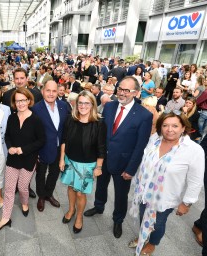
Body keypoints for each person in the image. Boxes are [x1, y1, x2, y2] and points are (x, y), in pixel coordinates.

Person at [84, 76, 153, 239]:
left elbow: (140, 145)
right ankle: (99, 206)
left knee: (121, 195)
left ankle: (118, 220)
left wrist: (131, 169)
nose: (121, 93)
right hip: (103, 159)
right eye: (120, 89)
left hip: (124, 163)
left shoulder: (144, 115)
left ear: (136, 93)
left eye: (126, 90)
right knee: (100, 185)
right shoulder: (109, 106)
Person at [129, 111, 204, 256]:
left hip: (165, 198)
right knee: (143, 215)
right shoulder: (155, 139)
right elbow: (145, 162)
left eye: (175, 126)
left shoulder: (193, 150)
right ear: (160, 127)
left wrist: (187, 203)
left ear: (183, 128)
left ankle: (152, 244)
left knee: (158, 223)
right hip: (144, 192)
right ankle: (143, 236)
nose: (169, 129)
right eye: (165, 125)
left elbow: (196, 180)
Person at [0, 87, 45, 231]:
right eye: (17, 100)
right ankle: (5, 218)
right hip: (13, 159)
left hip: (28, 159)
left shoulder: (36, 120)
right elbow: (7, 136)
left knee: (22, 187)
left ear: (28, 100)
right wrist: (9, 147)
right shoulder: (12, 117)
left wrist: (23, 149)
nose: (20, 103)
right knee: (9, 189)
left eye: (23, 100)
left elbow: (41, 140)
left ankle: (25, 202)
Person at [59, 90, 106, 233]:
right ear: (76, 104)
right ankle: (71, 209)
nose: (83, 106)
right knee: (71, 187)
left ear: (92, 104)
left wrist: (99, 167)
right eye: (80, 102)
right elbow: (64, 141)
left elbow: (101, 148)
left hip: (87, 165)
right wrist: (61, 159)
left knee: (80, 193)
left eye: (87, 103)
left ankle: (79, 216)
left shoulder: (99, 123)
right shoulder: (70, 119)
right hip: (70, 161)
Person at [32, 80, 69, 212]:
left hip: (59, 148)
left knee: (54, 173)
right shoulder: (36, 109)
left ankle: (49, 194)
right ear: (43, 91)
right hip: (42, 149)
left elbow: (66, 127)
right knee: (41, 174)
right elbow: (33, 133)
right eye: (48, 90)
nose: (51, 94)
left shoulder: (64, 106)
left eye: (54, 91)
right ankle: (41, 196)